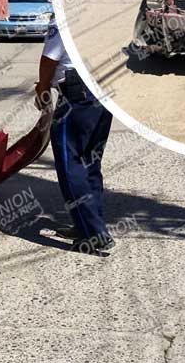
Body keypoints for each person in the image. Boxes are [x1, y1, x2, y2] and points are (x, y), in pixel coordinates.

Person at [34, 24, 115, 254]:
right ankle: (88, 225)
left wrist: (42, 89)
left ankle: (94, 234)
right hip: (101, 89)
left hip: (77, 96)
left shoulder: (62, 18)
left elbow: (50, 59)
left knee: (71, 164)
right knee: (90, 162)